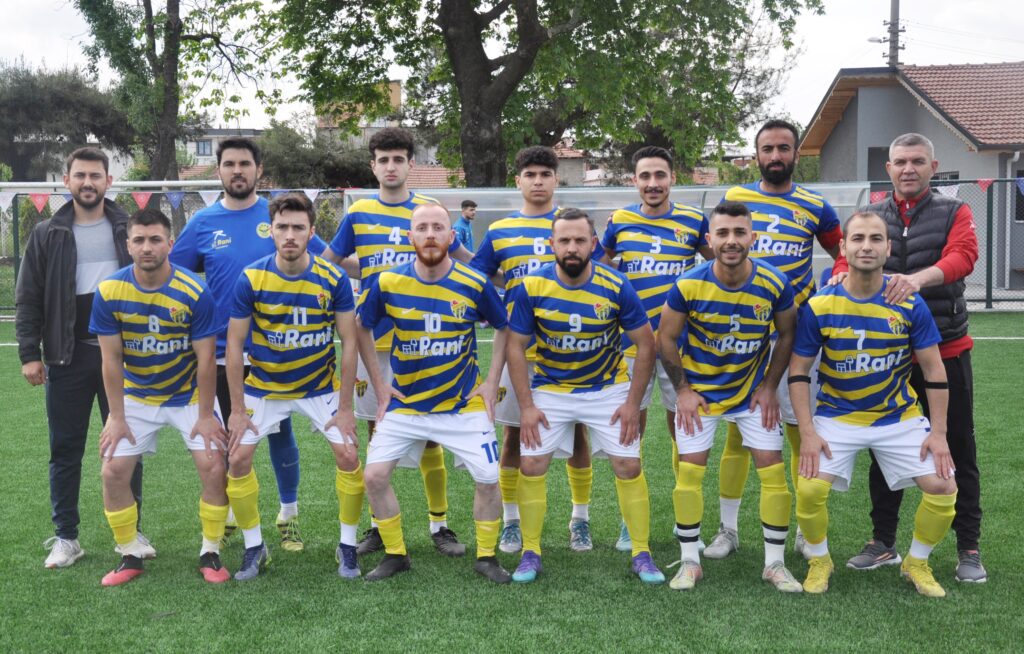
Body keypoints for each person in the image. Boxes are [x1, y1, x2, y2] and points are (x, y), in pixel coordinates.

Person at [830, 133, 984, 582]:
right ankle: (883, 542)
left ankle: (968, 547)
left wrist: (916, 279)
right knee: (884, 445)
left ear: (933, 167)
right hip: (889, 355)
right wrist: (837, 278)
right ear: (889, 168)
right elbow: (843, 259)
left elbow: (964, 257)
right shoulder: (872, 214)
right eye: (900, 162)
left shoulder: (955, 210)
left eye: (917, 161)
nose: (908, 169)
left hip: (946, 348)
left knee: (957, 447)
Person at [789, 210, 957, 597]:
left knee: (944, 486)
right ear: (843, 247)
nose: (867, 246)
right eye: (858, 238)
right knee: (809, 489)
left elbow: (934, 369)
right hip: (837, 415)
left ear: (888, 248)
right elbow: (798, 371)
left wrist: (939, 433)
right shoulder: (821, 304)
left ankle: (916, 562)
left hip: (897, 416)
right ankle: (820, 560)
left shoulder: (909, 303)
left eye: (876, 239)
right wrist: (808, 432)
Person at [323, 127, 473, 557]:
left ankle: (439, 524)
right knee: (378, 430)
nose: (391, 167)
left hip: (425, 342)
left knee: (431, 434)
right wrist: (365, 272)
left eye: (398, 159)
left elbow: (464, 261)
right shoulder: (358, 214)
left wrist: (502, 277)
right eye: (383, 160)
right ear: (373, 166)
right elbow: (331, 263)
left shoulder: (429, 212)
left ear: (411, 164)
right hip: (373, 342)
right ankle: (378, 526)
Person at [170, 137, 326, 552]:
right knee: (230, 438)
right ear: (218, 170)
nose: (237, 171)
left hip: (277, 352)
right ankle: (232, 517)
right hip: (224, 353)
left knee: (280, 435)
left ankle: (288, 515)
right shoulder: (202, 222)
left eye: (244, 163)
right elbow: (173, 275)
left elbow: (326, 261)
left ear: (259, 170)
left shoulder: (279, 217)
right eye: (229, 164)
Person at [505, 208, 664, 585]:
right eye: (564, 240)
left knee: (628, 465)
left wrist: (632, 403)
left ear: (594, 244)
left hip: (607, 388)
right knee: (531, 464)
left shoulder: (616, 284)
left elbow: (646, 344)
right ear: (552, 244)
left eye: (579, 240)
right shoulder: (533, 286)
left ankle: (641, 552)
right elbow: (515, 346)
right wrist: (526, 407)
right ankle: (530, 552)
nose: (572, 247)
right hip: (552, 388)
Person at [357, 203, 512, 583]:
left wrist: (492, 381)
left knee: (488, 477)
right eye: (422, 227)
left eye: (438, 227)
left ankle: (487, 557)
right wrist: (380, 383)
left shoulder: (474, 282)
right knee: (374, 476)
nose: (430, 234)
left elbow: (504, 327)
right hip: (407, 405)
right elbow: (361, 327)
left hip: (462, 406)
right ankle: (396, 554)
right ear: (410, 236)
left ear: (451, 236)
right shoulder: (388, 282)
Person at [709, 119, 842, 561]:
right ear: (756, 155)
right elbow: (715, 250)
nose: (776, 156)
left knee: (800, 430)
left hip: (797, 337)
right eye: (768, 149)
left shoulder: (815, 205)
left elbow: (842, 253)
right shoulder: (736, 198)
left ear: (796, 153)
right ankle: (728, 530)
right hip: (744, 338)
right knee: (737, 435)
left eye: (784, 148)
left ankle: (805, 529)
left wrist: (832, 284)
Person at [656, 201, 801, 592]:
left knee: (773, 471)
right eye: (722, 233)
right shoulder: (689, 283)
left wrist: (769, 386)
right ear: (710, 239)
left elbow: (788, 332)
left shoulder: (774, 282)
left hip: (751, 394)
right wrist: (683, 391)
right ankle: (690, 561)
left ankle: (774, 564)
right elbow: (665, 337)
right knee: (690, 472)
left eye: (739, 232)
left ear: (753, 237)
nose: (731, 240)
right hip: (701, 395)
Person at [16, 147, 150, 568]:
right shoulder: (47, 234)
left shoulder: (129, 229)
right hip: (66, 357)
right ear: (66, 180)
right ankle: (66, 537)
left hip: (124, 359)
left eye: (95, 175)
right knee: (65, 450)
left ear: (109, 181)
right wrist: (29, 354)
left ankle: (131, 532)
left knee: (126, 447)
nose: (87, 182)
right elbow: (28, 297)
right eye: (80, 175)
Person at [223, 193, 369, 581]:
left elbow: (349, 342)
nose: (290, 235)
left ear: (311, 231)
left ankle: (347, 546)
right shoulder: (251, 277)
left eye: (298, 228)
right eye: (282, 227)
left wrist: (346, 408)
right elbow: (234, 345)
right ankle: (255, 547)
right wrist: (236, 410)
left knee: (348, 455)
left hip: (319, 387)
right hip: (264, 387)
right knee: (237, 459)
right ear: (271, 231)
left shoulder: (333, 278)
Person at [89, 208, 229, 586]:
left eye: (155, 239)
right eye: (139, 240)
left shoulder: (194, 291)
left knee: (213, 465)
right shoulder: (109, 291)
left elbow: (206, 359)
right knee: (112, 470)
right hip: (137, 396)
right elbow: (111, 360)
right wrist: (116, 417)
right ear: (128, 245)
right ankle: (130, 554)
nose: (147, 247)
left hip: (188, 395)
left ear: (170, 243)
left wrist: (205, 416)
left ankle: (210, 551)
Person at [470, 146, 595, 555]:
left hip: (570, 348)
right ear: (518, 181)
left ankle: (580, 519)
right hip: (518, 350)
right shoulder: (501, 230)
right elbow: (475, 279)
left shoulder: (572, 226)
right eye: (530, 174)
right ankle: (511, 522)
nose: (538, 181)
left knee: (578, 433)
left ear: (556, 179)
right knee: (513, 434)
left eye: (545, 174)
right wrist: (496, 306)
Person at [599, 145, 712, 552]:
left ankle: (686, 523)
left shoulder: (694, 221)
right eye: (644, 176)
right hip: (632, 345)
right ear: (634, 181)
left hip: (681, 346)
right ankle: (630, 523)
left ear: (672, 178)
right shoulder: (619, 222)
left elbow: (716, 266)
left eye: (659, 175)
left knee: (684, 429)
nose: (652, 183)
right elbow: (599, 268)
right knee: (632, 429)